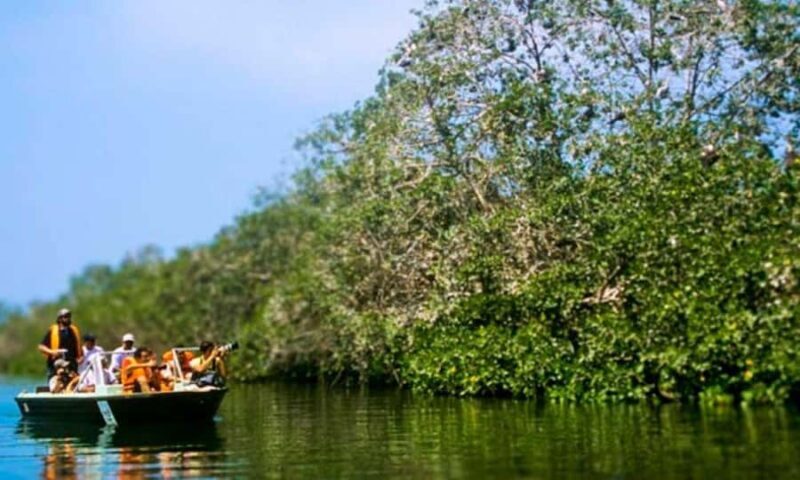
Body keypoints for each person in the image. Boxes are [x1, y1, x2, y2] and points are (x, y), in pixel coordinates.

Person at [38, 308, 83, 378]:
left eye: (68, 316)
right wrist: (52, 352)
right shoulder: (53, 330)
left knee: (73, 384)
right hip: (55, 365)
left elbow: (79, 349)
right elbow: (41, 347)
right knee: (57, 385)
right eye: (65, 317)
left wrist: (80, 358)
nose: (67, 318)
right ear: (59, 319)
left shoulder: (73, 331)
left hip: (71, 366)